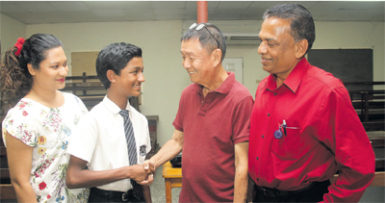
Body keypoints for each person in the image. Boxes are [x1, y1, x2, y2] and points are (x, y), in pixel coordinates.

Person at [248, 3, 375, 202]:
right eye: (261, 41)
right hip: (260, 196)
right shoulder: (264, 87)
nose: (260, 50)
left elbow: (360, 165)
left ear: (300, 47)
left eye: (270, 43)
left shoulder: (327, 93)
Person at [146, 23, 254, 202]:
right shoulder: (188, 94)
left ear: (215, 57)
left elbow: (242, 164)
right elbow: (177, 140)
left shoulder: (240, 99)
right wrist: (153, 163)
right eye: (183, 57)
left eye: (191, 58)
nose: (185, 64)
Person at [0, 34, 89, 202]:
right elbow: (20, 182)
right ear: (32, 69)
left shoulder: (74, 103)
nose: (63, 71)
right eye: (55, 66)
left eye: (65, 64)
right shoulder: (21, 117)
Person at [66, 42, 153, 203]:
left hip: (137, 196)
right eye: (135, 72)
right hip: (105, 199)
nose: (142, 78)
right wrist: (127, 172)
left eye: (142, 71)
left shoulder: (140, 120)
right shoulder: (92, 121)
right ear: (112, 76)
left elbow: (142, 174)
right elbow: (73, 178)